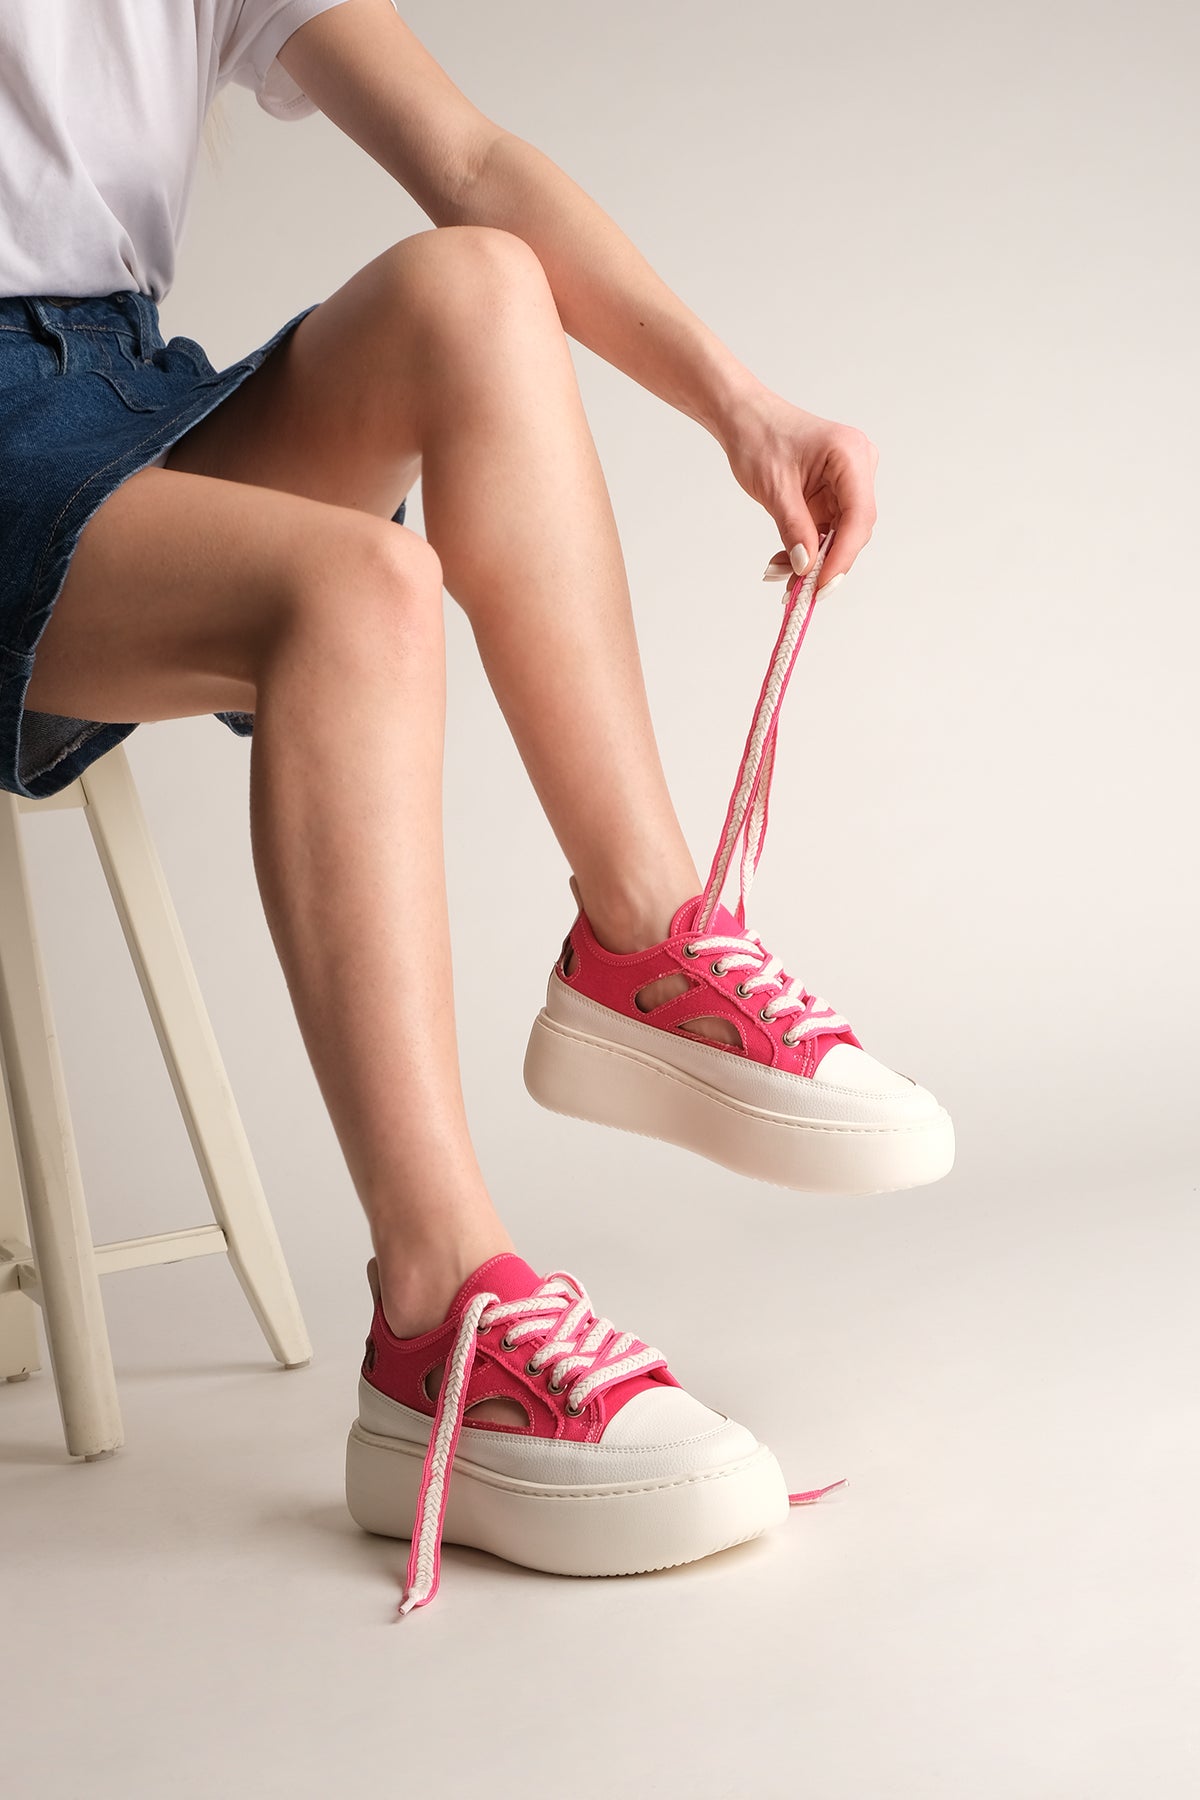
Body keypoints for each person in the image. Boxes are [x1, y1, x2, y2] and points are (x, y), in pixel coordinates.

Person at [0, 0, 952, 1614]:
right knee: (363, 584)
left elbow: (470, 159)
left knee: (479, 282)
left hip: (110, 388)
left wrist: (743, 407)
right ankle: (438, 1307)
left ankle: (642, 940)